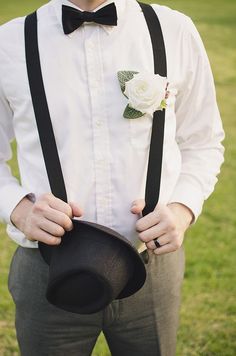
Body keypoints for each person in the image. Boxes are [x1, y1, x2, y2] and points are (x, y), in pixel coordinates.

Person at [0, 0, 224, 355]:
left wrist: (181, 211)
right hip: (48, 272)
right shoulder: (9, 42)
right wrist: (18, 209)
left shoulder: (173, 30)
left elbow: (204, 141)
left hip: (152, 268)